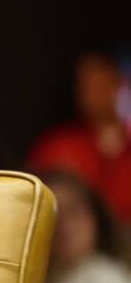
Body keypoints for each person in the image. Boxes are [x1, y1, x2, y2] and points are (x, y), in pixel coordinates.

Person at [28, 53, 131, 224]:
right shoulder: (58, 148)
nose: (95, 95)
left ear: (120, 85)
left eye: (103, 85)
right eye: (87, 87)